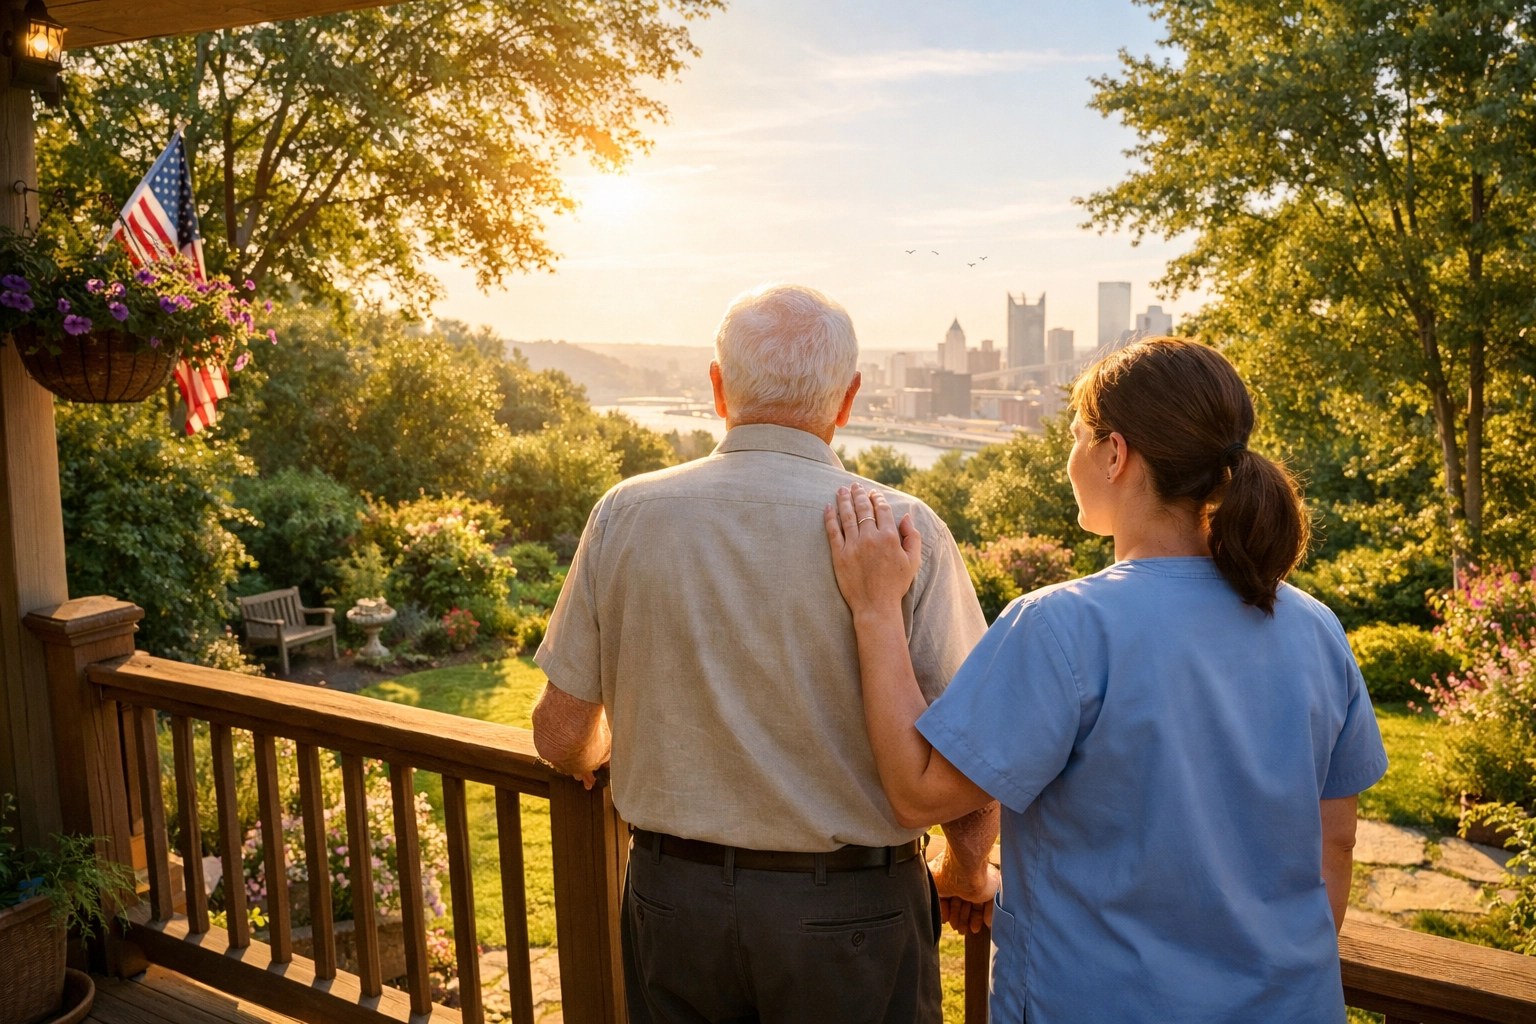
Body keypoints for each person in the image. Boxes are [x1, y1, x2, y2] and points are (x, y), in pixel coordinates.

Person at [824, 336, 1388, 1023]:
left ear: (1115, 454)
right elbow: (1336, 844)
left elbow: (918, 792)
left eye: (1075, 436)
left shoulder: (1063, 627)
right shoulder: (1315, 627)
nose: (1068, 459)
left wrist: (878, 605)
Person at [530, 282, 1000, 1024]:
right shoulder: (906, 531)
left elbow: (560, 737)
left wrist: (599, 757)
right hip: (852, 917)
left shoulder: (626, 513)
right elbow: (971, 755)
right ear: (847, 400)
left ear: (718, 389)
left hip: (671, 902)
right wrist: (968, 869)